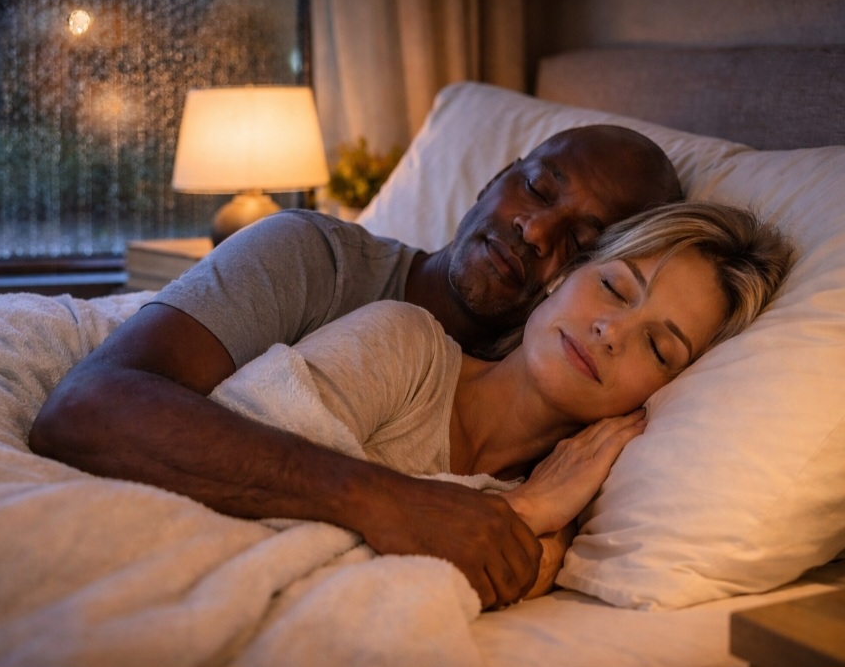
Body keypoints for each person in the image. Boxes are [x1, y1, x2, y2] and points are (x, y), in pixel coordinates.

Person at [29, 124, 683, 609]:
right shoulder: (311, 257)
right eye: (537, 190)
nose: (537, 232)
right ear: (493, 180)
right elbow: (84, 409)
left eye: (581, 243)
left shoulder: (558, 399)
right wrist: (383, 498)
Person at [206, 201, 794, 599]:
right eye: (613, 287)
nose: (612, 333)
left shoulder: (557, 530)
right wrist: (525, 512)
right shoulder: (403, 345)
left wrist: (535, 512)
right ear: (564, 277)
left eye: (659, 349)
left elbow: (374, 599)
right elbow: (216, 474)